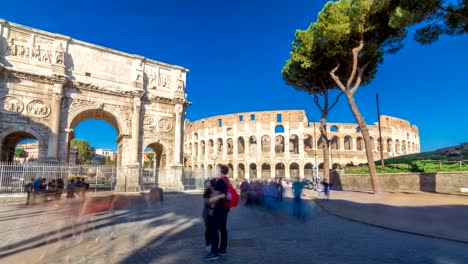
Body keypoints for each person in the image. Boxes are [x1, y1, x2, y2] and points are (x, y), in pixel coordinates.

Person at [204, 165, 230, 261]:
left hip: (218, 210)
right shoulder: (227, 180)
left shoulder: (220, 182)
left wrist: (209, 201)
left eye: (217, 169)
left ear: (220, 171)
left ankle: (214, 252)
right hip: (225, 210)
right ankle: (223, 250)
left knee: (214, 229)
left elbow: (214, 198)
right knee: (223, 229)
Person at [202, 179, 216, 252]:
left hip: (213, 213)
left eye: (209, 185)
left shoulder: (214, 192)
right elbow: (206, 202)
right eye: (206, 185)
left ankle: (213, 245)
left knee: (213, 230)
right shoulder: (206, 192)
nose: (208, 186)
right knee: (208, 230)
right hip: (206, 213)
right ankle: (208, 244)